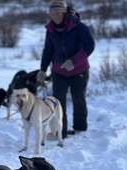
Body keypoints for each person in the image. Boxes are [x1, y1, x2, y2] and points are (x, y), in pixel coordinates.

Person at [37, 0, 95, 138]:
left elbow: (90, 46)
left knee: (78, 99)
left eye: (58, 12)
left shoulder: (79, 27)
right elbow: (48, 50)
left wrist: (73, 61)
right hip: (59, 71)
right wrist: (42, 70)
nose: (55, 15)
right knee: (58, 102)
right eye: (52, 13)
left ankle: (80, 128)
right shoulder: (50, 29)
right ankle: (60, 132)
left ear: (64, 12)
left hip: (79, 70)